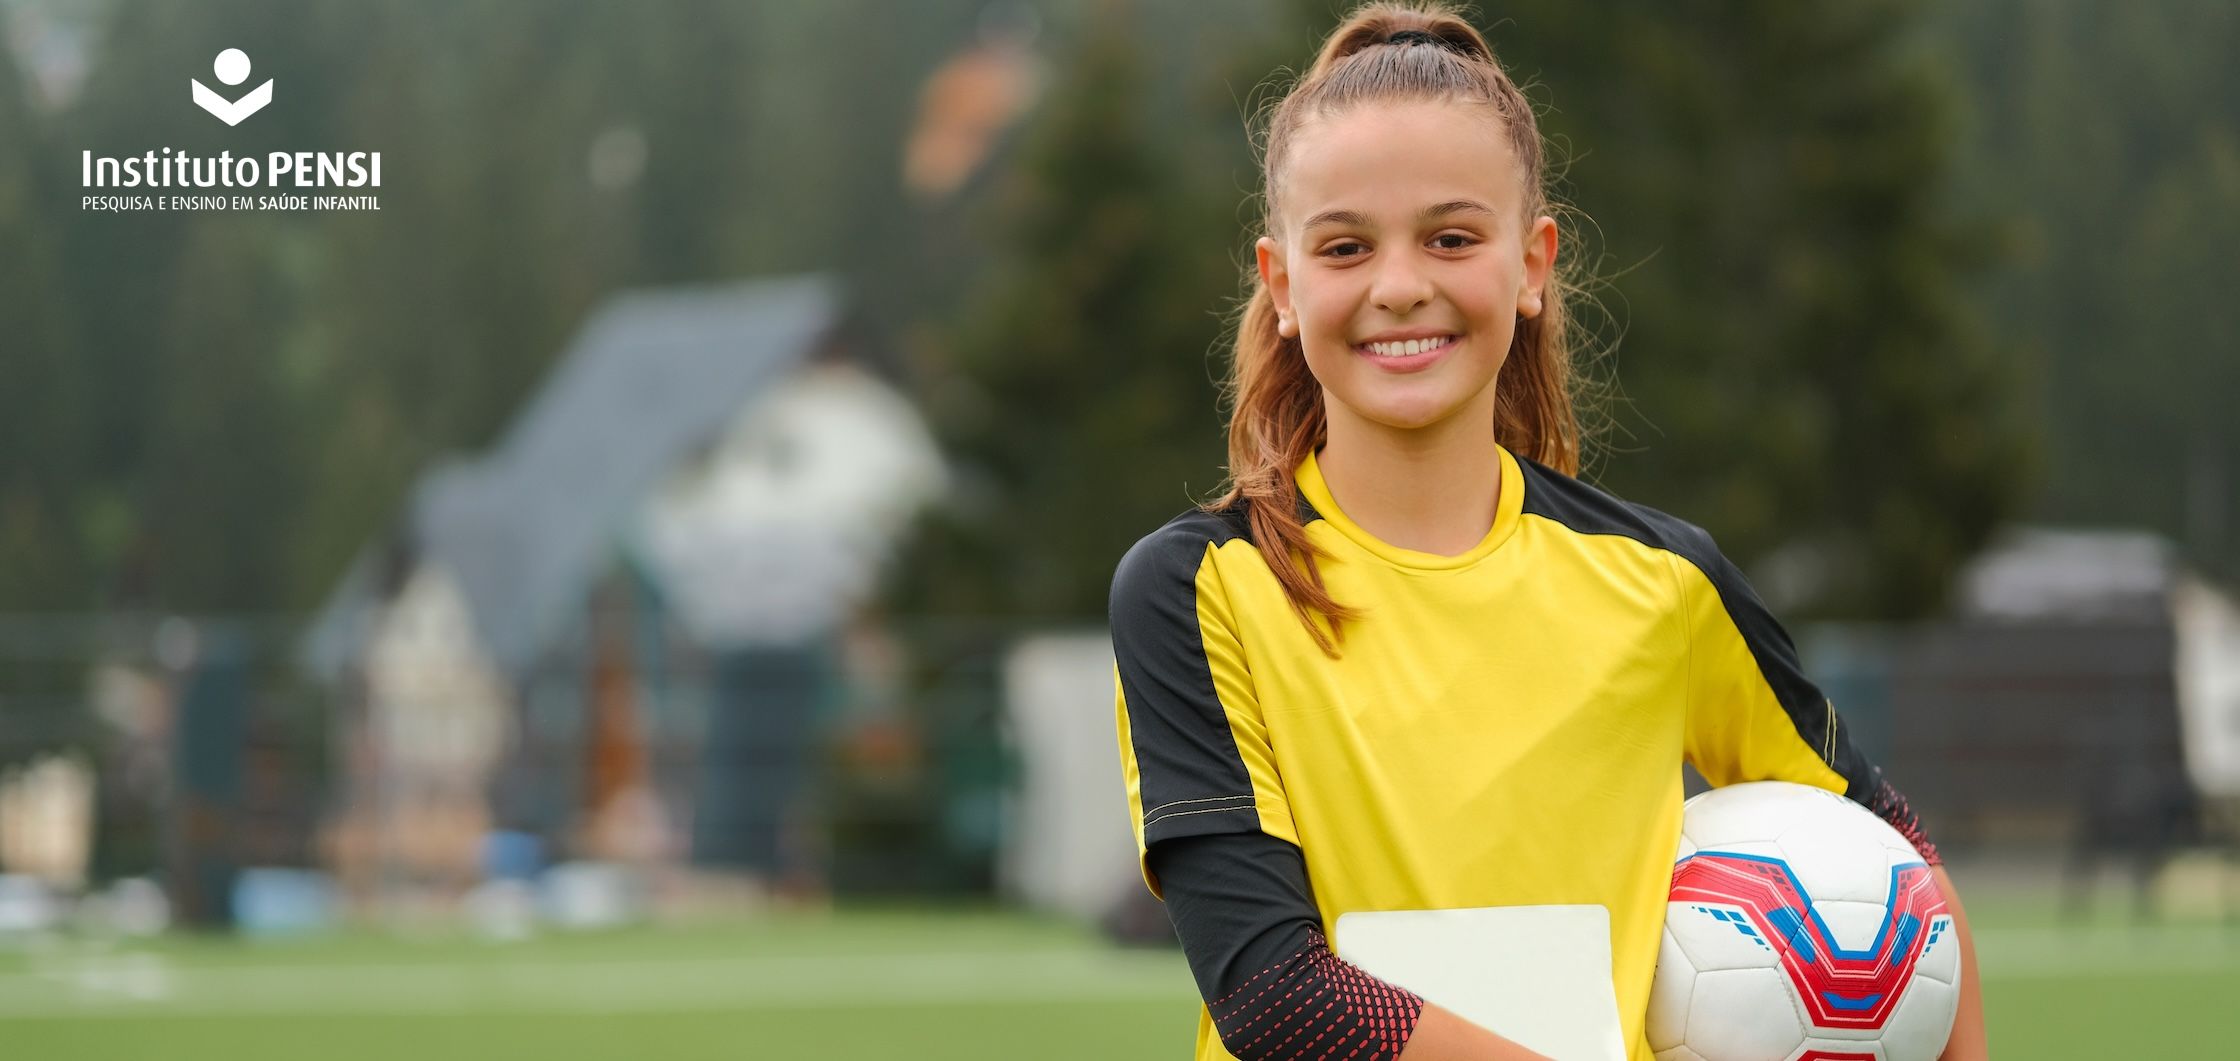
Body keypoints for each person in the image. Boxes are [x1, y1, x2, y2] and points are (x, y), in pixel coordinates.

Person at [1107, 4, 1991, 1059]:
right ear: (1282, 284)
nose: (1399, 286)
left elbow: (1901, 856)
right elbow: (1276, 998)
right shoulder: (1197, 589)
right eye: (1345, 245)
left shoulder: (1662, 582)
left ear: (1530, 265)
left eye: (1450, 236)